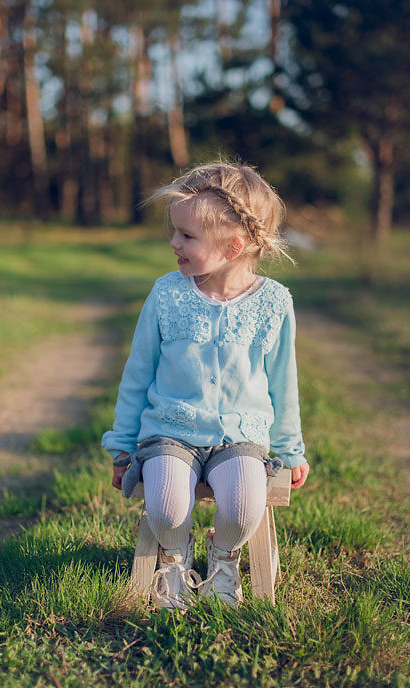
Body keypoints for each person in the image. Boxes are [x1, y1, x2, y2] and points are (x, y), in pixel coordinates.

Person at [102, 162, 310, 609]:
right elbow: (138, 373)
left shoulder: (273, 303)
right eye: (175, 232)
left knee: (241, 505)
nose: (174, 243)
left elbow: (283, 382)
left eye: (187, 236)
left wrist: (290, 450)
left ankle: (224, 559)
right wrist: (122, 445)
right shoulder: (167, 294)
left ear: (234, 246)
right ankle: (174, 558)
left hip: (239, 435)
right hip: (170, 431)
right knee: (166, 504)